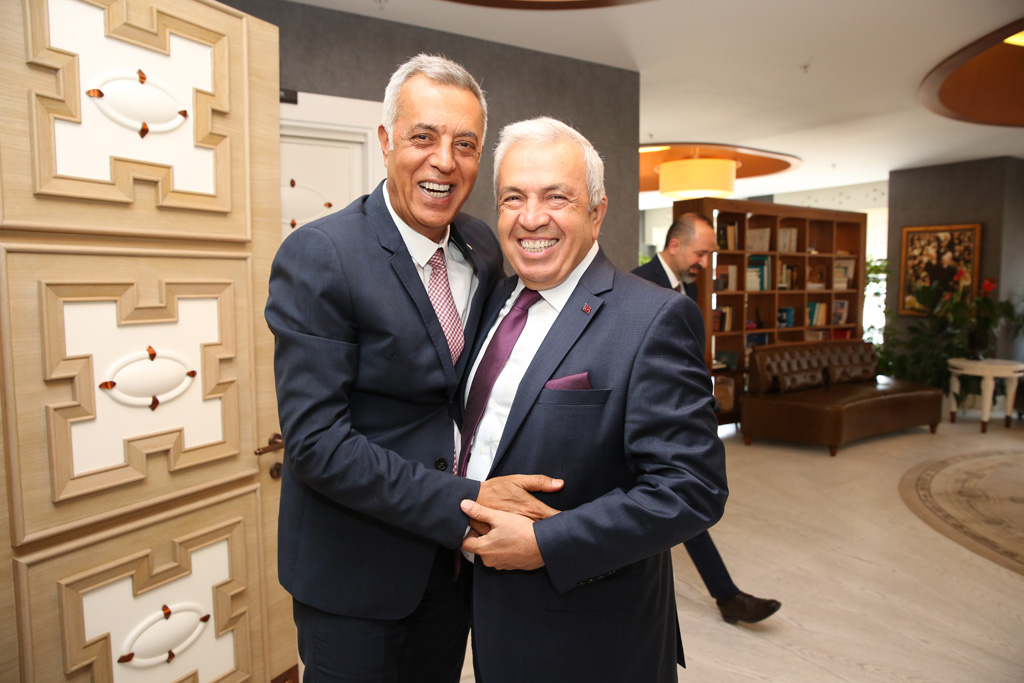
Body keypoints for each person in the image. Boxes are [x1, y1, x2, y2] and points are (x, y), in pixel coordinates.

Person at [266, 55, 563, 682]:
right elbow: (316, 444)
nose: (444, 161)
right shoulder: (321, 254)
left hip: (451, 566)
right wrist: (467, 497)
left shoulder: (483, 246)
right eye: (423, 137)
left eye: (465, 144)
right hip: (352, 575)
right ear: (385, 140)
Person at [458, 117, 728, 683]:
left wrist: (547, 542)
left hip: (592, 633)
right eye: (513, 198)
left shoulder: (653, 317)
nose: (532, 218)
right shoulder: (491, 300)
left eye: (556, 197)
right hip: (488, 616)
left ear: (597, 212)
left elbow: (692, 487)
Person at [633, 213, 782, 625]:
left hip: (677, 414)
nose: (704, 262)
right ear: (675, 245)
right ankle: (724, 597)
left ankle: (726, 597)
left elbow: (686, 355)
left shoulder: (691, 287)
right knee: (674, 503)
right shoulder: (637, 282)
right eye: (701, 253)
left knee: (679, 502)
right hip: (645, 418)